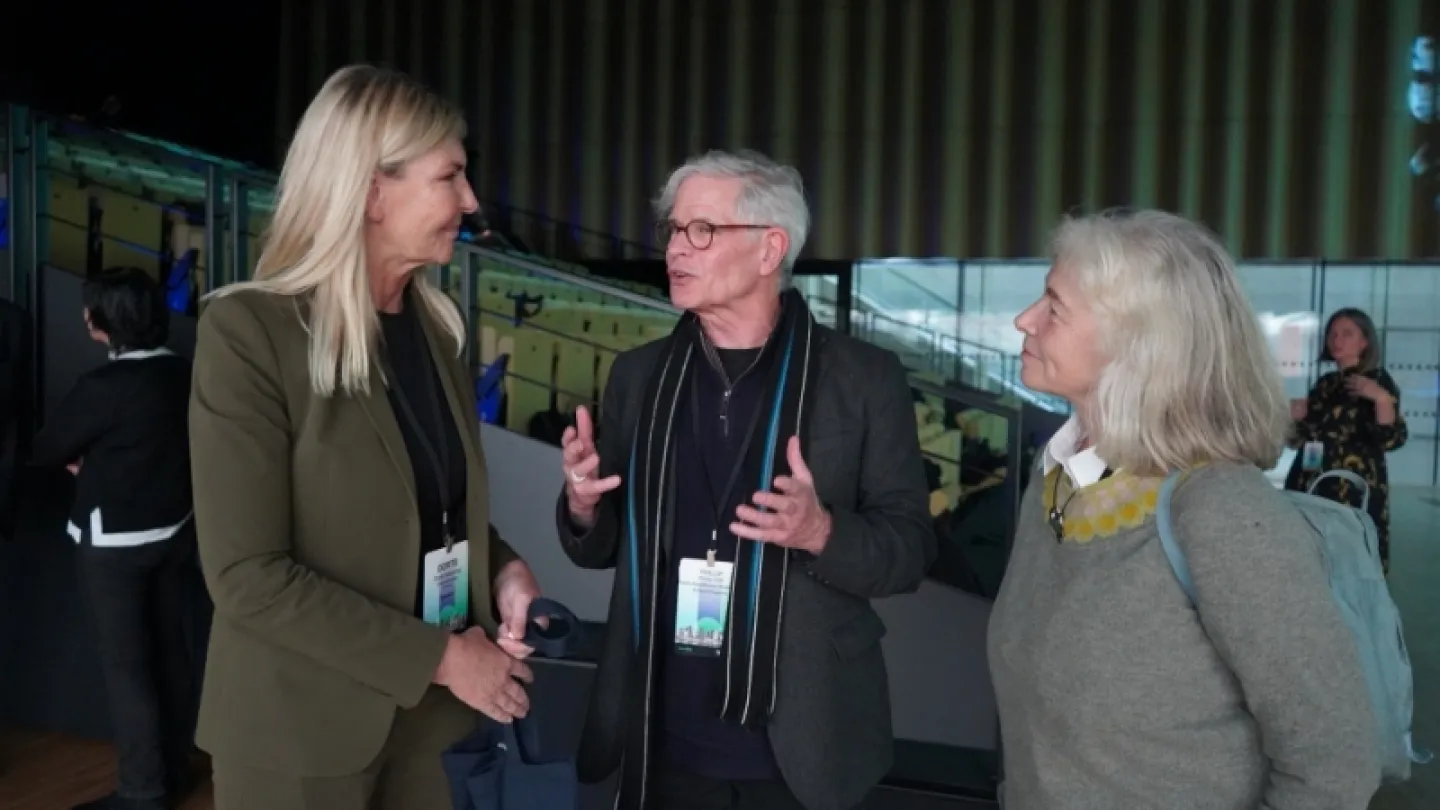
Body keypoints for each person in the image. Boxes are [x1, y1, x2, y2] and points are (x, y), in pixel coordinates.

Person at [189, 65, 543, 810]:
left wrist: (503, 569)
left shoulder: (438, 331)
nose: (472, 201)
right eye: (451, 176)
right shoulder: (249, 333)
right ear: (373, 191)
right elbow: (247, 575)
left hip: (437, 728)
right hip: (298, 735)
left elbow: (433, 506)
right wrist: (444, 658)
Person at [555, 149, 935, 810]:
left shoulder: (862, 379)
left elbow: (908, 553)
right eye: (674, 230)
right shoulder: (639, 377)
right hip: (661, 723)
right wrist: (584, 507)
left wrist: (821, 531)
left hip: (803, 735)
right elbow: (603, 545)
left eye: (702, 230)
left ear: (770, 249)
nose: (678, 247)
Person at [989, 209, 1380, 809]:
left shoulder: (1222, 512)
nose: (1025, 320)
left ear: (1139, 344)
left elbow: (1334, 763)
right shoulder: (1058, 475)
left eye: (1054, 306)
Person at [31, 267, 196, 810]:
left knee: (127, 668)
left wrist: (89, 464)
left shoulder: (103, 387)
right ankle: (174, 768)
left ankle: (142, 791)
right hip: (175, 534)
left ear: (100, 323)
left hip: (114, 546)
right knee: (170, 651)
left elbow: (48, 449)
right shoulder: (185, 373)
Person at [1285, 307, 1406, 572]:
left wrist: (1381, 399)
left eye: (1347, 334)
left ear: (1364, 342)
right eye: (1333, 334)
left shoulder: (1378, 381)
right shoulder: (1326, 383)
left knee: (1354, 560)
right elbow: (1298, 439)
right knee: (1313, 557)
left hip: (1353, 486)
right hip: (1312, 480)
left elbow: (1391, 440)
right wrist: (1293, 418)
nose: (1337, 340)